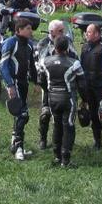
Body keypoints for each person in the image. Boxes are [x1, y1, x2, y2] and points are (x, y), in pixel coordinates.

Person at [39, 35, 83, 168]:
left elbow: (40, 81)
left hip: (52, 98)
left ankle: (57, 156)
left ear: (54, 47)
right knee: (68, 126)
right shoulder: (74, 63)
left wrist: (49, 90)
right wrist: (84, 99)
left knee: (57, 125)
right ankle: (66, 160)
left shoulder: (45, 61)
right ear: (67, 48)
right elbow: (82, 84)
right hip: (68, 98)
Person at [34, 19, 74, 150]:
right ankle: (43, 139)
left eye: (63, 30)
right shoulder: (43, 44)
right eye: (60, 31)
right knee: (45, 113)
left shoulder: (68, 41)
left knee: (64, 115)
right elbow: (40, 63)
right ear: (52, 32)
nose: (63, 33)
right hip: (48, 83)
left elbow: (75, 58)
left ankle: (62, 141)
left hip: (65, 83)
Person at [0, 17, 36, 161]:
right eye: (28, 28)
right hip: (14, 82)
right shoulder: (10, 43)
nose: (31, 31)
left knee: (20, 115)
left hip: (24, 82)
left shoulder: (30, 45)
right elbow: (2, 65)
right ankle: (19, 148)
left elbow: (32, 66)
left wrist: (37, 82)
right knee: (23, 115)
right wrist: (9, 85)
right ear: (19, 30)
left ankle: (15, 144)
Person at [80, 23, 102, 151]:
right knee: (93, 115)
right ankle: (97, 142)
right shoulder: (84, 47)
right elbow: (81, 67)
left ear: (97, 34)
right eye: (86, 32)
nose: (86, 34)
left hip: (101, 88)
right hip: (88, 88)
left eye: (89, 32)